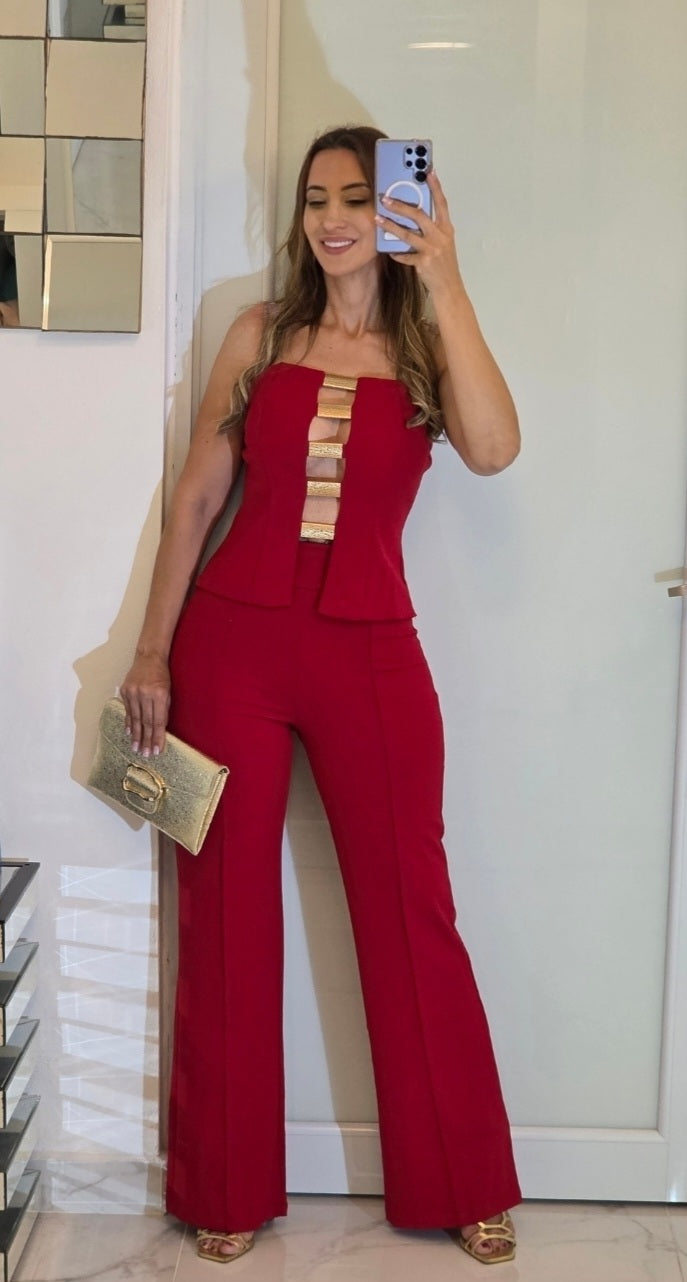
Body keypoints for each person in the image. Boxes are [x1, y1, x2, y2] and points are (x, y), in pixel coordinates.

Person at [120, 124, 522, 1266]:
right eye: (315, 199)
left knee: (410, 909)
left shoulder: (428, 346)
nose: (334, 219)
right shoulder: (260, 334)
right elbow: (198, 498)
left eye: (357, 197)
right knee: (224, 912)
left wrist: (444, 276)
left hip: (371, 653)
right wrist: (151, 651)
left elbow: (495, 448)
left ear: (398, 211)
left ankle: (463, 1180)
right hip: (231, 649)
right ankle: (224, 1188)